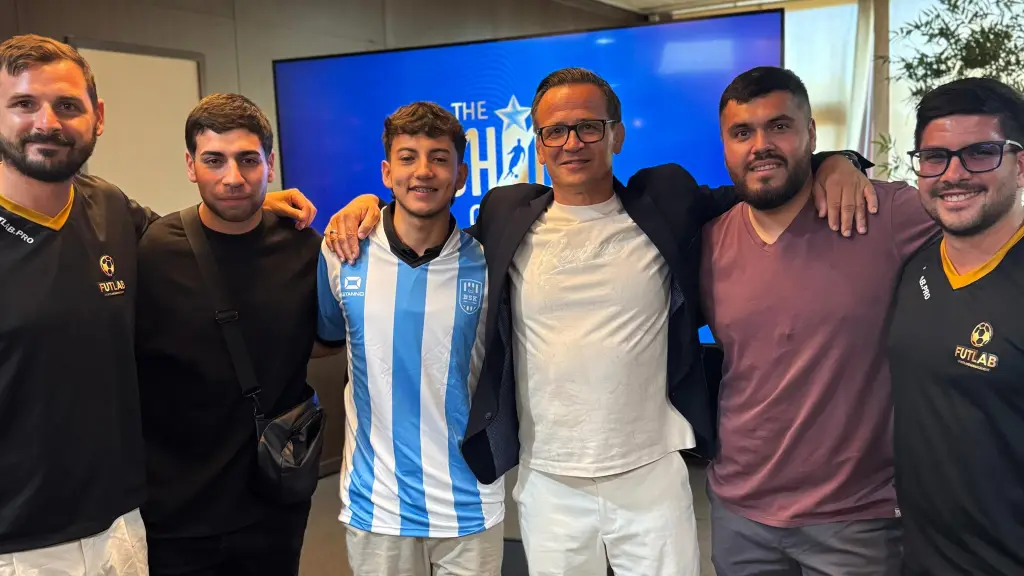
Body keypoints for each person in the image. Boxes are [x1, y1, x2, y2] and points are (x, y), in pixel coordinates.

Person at [328, 67, 874, 575]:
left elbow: (759, 185)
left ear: (617, 135)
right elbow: (424, 209)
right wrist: (366, 206)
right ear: (538, 144)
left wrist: (835, 162)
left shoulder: (666, 199)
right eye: (556, 131)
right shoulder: (504, 214)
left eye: (588, 128)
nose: (572, 143)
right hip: (548, 483)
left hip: (652, 476)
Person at [0, 34, 316, 573]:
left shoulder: (113, 211)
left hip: (123, 528)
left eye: (67, 105)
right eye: (23, 103)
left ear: (97, 117)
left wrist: (281, 208)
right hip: (20, 545)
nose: (47, 123)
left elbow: (200, 235)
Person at [698, 66, 939, 575]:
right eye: (743, 133)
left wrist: (843, 164)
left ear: (811, 134)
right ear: (724, 145)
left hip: (857, 519)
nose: (760, 145)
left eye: (779, 127)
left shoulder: (882, 212)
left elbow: (979, 212)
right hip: (739, 513)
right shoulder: (708, 241)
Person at [133, 93, 342, 576]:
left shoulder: (302, 247)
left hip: (274, 500)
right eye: (214, 160)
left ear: (269, 163)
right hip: (174, 513)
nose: (233, 177)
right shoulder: (153, 250)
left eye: (249, 160)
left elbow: (324, 340)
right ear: (190, 165)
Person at [317, 101, 504, 576]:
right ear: (386, 172)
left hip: (472, 501)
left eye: (439, 158)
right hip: (377, 503)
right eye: (408, 157)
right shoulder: (341, 253)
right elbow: (328, 336)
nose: (423, 171)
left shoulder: (489, 264)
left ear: (461, 174)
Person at [888, 77, 1024, 575]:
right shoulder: (916, 265)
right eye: (934, 157)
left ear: (1021, 164)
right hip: (920, 557)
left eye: (980, 153)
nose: (953, 174)